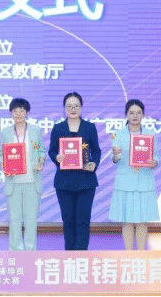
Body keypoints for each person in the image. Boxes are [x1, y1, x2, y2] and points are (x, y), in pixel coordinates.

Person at [48, 92, 101, 250]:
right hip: (64, 182)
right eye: (69, 106)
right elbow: (52, 150)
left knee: (83, 220)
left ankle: (81, 255)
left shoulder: (89, 127)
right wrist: (56, 157)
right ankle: (70, 255)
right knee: (68, 221)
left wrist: (94, 163)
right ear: (64, 108)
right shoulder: (58, 128)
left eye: (76, 106)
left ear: (81, 108)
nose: (73, 109)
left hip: (86, 181)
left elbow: (96, 151)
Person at [109, 99, 159, 250]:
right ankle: (129, 255)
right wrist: (116, 155)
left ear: (143, 115)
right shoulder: (118, 134)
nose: (135, 116)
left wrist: (154, 162)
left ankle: (141, 256)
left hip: (144, 181)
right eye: (131, 113)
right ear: (126, 115)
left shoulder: (150, 134)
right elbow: (115, 159)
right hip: (125, 182)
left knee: (142, 222)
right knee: (127, 221)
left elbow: (156, 156)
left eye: (138, 113)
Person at [0, 98, 45, 251]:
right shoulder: (6, 132)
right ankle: (15, 252)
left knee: (31, 219)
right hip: (13, 182)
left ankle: (30, 252)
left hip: (31, 181)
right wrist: (3, 164)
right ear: (11, 113)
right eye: (15, 111)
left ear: (27, 112)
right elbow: (2, 154)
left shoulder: (35, 131)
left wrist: (40, 162)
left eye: (21, 110)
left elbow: (40, 150)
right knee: (14, 219)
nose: (18, 114)